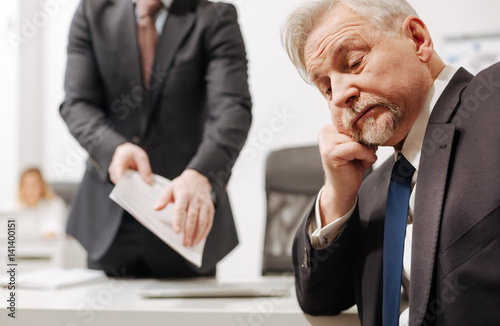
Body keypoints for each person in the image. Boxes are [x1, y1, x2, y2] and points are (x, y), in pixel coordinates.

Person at [281, 0, 500, 325]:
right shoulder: (369, 192)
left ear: (417, 39)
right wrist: (336, 197)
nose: (340, 95)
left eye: (354, 62)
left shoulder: (493, 101)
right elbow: (319, 299)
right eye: (326, 88)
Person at [60, 0, 252, 278]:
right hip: (109, 218)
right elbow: (77, 103)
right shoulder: (92, 12)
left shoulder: (215, 17)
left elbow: (232, 109)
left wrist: (202, 174)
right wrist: (114, 148)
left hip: (186, 217)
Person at [18, 168, 67, 240]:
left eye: (33, 185)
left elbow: (53, 232)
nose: (30, 190)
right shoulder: (14, 207)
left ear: (42, 186)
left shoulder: (55, 205)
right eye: (26, 185)